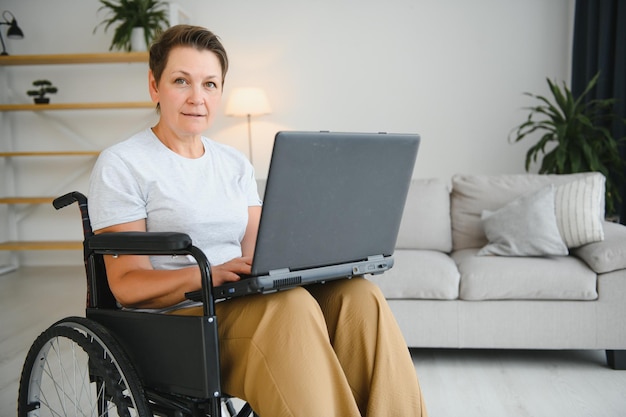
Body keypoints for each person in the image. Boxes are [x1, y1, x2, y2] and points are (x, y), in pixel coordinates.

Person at [88, 24, 427, 417]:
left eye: (210, 84)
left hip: (236, 302)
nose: (197, 98)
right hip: (177, 325)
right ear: (154, 85)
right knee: (290, 308)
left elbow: (260, 253)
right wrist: (210, 274)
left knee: (358, 298)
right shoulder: (123, 163)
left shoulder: (233, 163)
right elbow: (128, 286)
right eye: (182, 81)